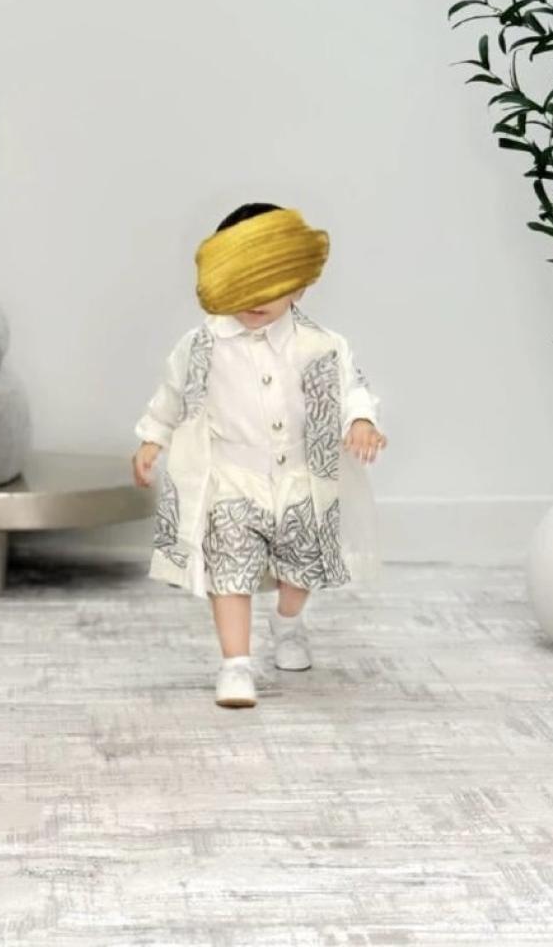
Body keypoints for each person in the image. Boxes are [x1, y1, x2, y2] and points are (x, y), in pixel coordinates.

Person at [132, 203, 388, 709]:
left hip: (299, 478)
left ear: (300, 285)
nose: (256, 296)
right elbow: (171, 396)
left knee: (300, 570)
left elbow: (351, 388)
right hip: (231, 478)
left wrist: (360, 420)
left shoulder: (320, 344)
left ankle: (288, 622)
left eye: (271, 281)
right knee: (229, 570)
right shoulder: (201, 346)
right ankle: (235, 665)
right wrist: (152, 438)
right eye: (242, 280)